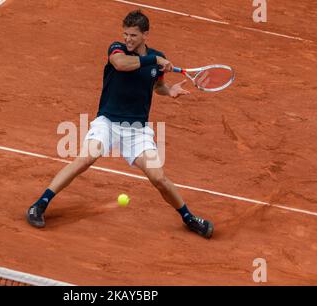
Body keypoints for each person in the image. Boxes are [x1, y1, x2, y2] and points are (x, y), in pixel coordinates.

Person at [27, 10, 213, 238]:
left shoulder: (157, 57)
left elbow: (157, 85)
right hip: (108, 122)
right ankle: (40, 204)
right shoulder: (118, 49)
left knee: (159, 178)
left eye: (133, 35)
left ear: (145, 35)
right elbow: (121, 64)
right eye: (126, 34)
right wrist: (153, 60)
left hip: (137, 131)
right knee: (85, 158)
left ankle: (188, 218)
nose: (128, 39)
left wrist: (169, 90)